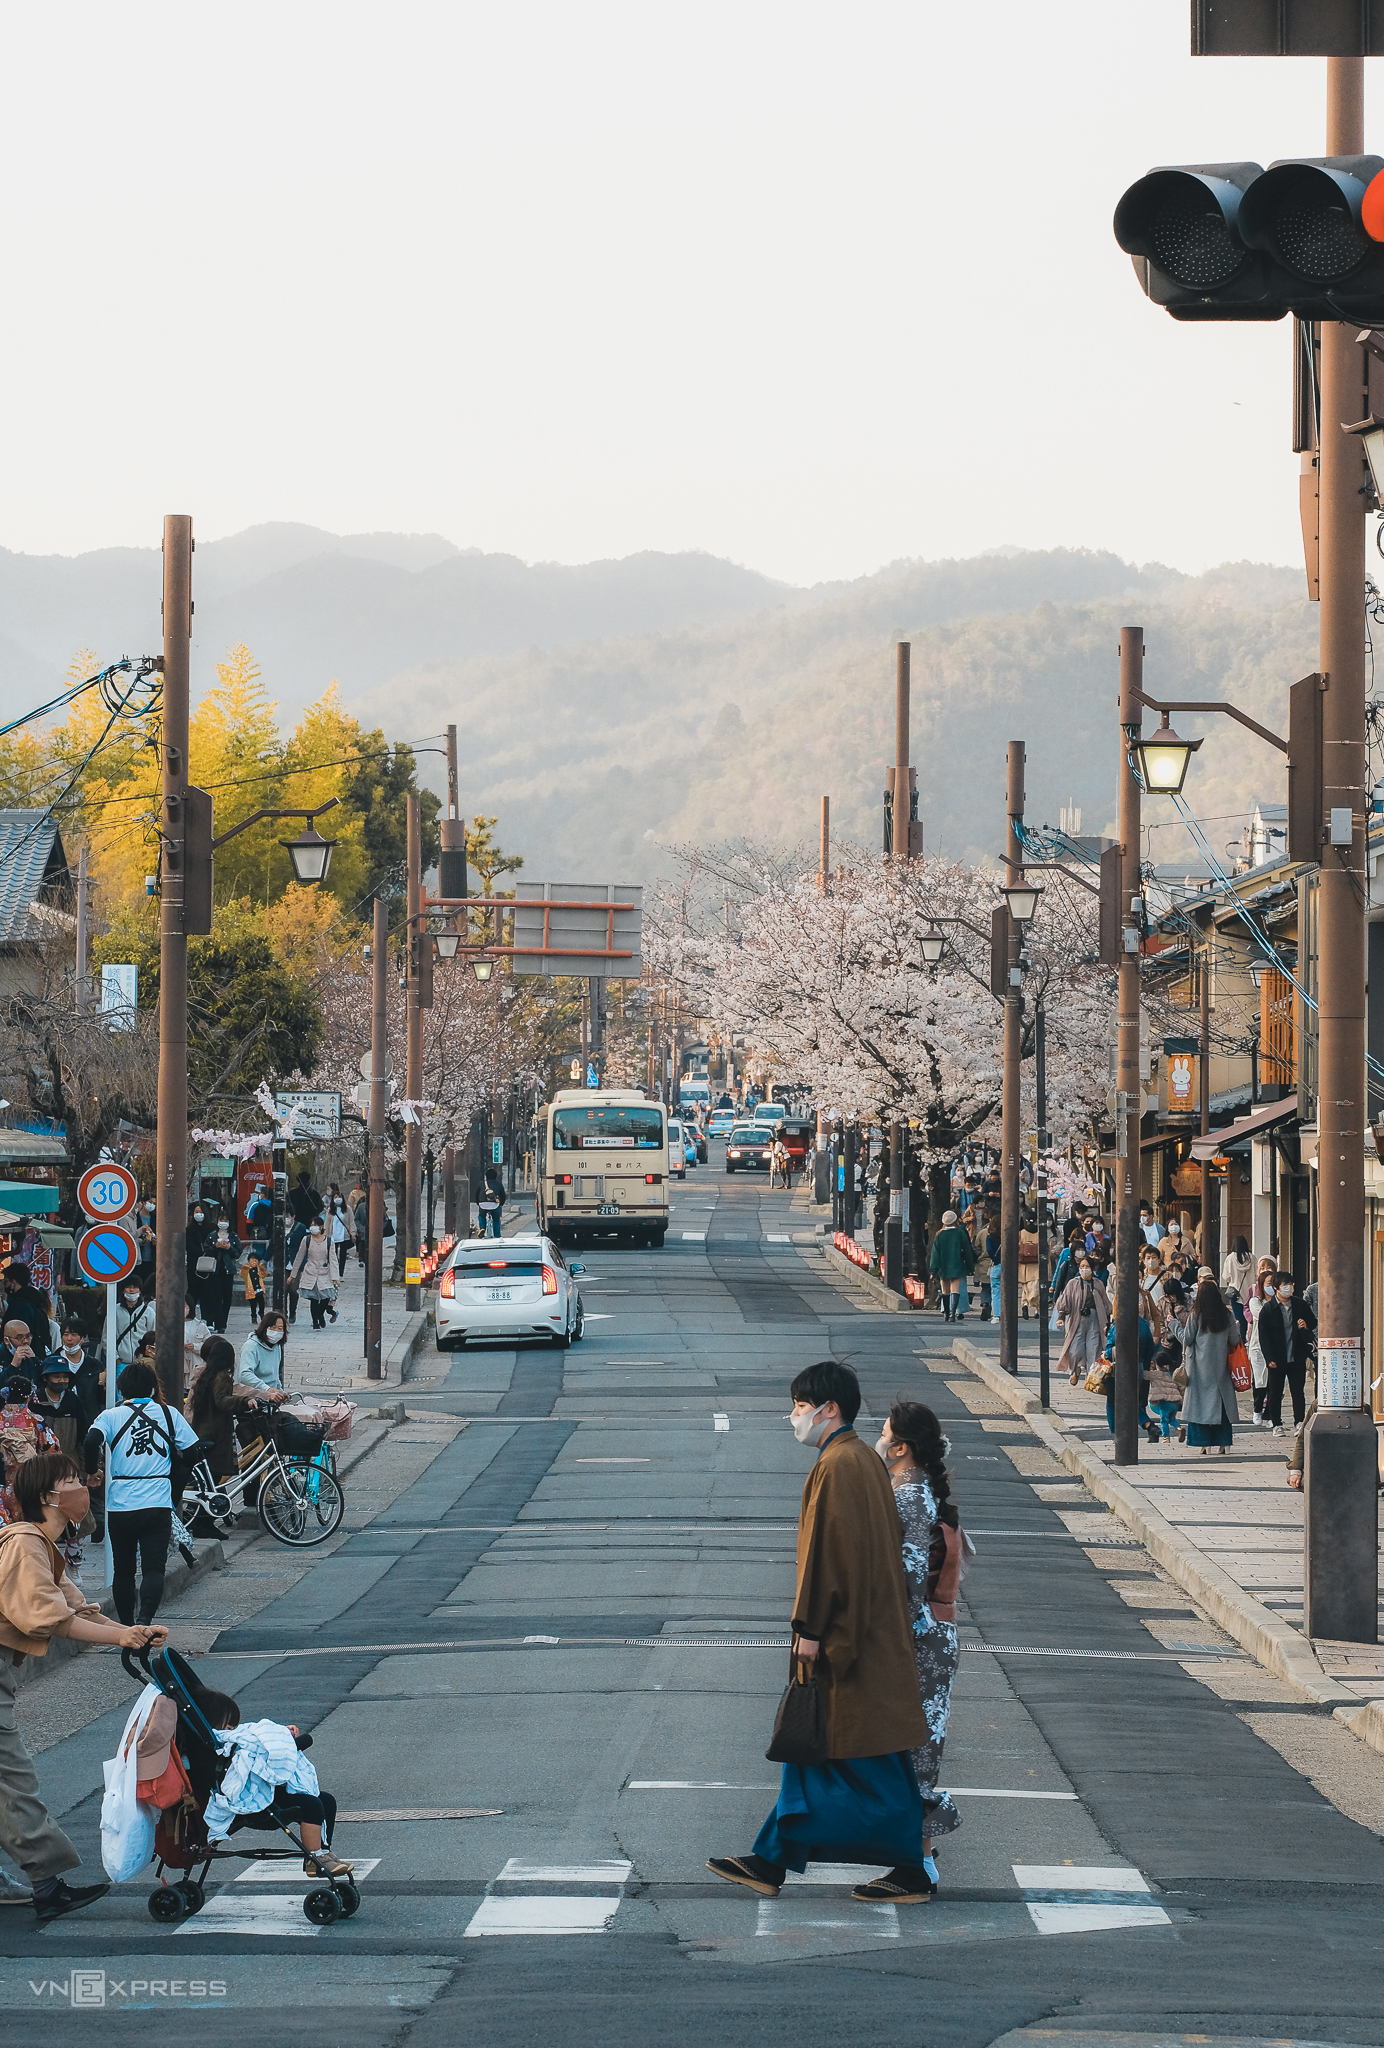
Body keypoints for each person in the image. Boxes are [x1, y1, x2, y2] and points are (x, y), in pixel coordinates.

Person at [707, 1360, 929, 1904]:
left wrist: (810, 1627)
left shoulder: (840, 1465)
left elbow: (829, 1559)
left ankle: (910, 1867)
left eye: (801, 1407)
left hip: (847, 1640)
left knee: (855, 1754)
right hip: (865, 1634)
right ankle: (771, 1859)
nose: (794, 1417)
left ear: (831, 1409)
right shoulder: (858, 1460)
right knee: (822, 1751)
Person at [0, 1452, 167, 1920]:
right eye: (72, 1481)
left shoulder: (42, 1546)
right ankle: (47, 1884)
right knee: (13, 1782)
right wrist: (121, 1636)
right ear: (48, 1497)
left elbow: (79, 1609)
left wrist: (131, 1633)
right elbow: (52, 1618)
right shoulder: (25, 1544)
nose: (83, 1487)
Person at [875, 1401, 963, 1895]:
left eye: (884, 1433)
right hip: (932, 1631)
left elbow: (908, 1577)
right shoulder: (920, 1490)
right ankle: (918, 1859)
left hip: (917, 1635)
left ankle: (919, 1864)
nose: (879, 1440)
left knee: (914, 1751)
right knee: (915, 1747)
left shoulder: (908, 1495)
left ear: (902, 1446)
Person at [83, 1361, 201, 1624]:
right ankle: (145, 1619)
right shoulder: (168, 1414)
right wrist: (174, 1479)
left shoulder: (111, 1416)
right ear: (151, 1388)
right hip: (156, 1502)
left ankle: (126, 1627)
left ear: (121, 1389)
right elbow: (193, 1452)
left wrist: (92, 1472)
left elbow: (91, 1441)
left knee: (123, 1571)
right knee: (153, 1569)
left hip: (120, 1504)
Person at [191, 1688, 353, 1876]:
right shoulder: (215, 1746)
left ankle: (324, 1851)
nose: (233, 1731)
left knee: (327, 1800)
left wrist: (282, 1735)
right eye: (229, 1727)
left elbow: (257, 1736)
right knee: (312, 1805)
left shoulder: (229, 1738)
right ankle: (315, 1858)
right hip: (253, 1802)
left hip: (267, 1789)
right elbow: (251, 1750)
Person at [189, 1338, 262, 1480]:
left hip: (204, 1430)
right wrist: (245, 1401)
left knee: (212, 1477)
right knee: (218, 1474)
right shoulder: (221, 1377)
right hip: (216, 1434)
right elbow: (222, 1400)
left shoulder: (207, 1375)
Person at [1181, 1276, 1239, 1455]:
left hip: (1199, 1369)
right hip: (1221, 1368)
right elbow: (1234, 1339)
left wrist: (1175, 1326)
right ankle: (1224, 1443)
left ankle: (1203, 1443)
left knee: (1199, 1406)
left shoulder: (1196, 1316)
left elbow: (1187, 1339)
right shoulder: (1227, 1315)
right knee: (1222, 1407)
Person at [1257, 1270, 1316, 1437]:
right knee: (1275, 1392)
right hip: (1277, 1357)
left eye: (1290, 1285)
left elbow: (1312, 1321)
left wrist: (1305, 1324)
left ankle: (1299, 1422)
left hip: (1297, 1354)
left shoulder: (1299, 1304)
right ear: (1276, 1287)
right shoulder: (1268, 1309)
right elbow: (1264, 1336)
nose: (1288, 1289)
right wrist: (1269, 1358)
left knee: (1298, 1391)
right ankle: (1276, 1423)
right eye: (1284, 1286)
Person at [1057, 1256, 1110, 1386]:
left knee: (1094, 1349)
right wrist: (1061, 1317)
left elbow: (1105, 1304)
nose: (1084, 1269)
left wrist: (1108, 1321)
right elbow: (1065, 1301)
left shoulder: (1098, 1284)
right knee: (1075, 1350)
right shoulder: (1072, 1283)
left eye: (1087, 1267)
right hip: (1077, 1320)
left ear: (1092, 1269)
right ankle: (1074, 1371)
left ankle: (1091, 1376)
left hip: (1095, 1320)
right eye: (1082, 1267)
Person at [1244, 1256, 1278, 1426]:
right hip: (1257, 1346)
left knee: (1274, 1382)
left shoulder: (1281, 1301)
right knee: (1260, 1380)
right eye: (1267, 1284)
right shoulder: (1255, 1301)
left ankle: (1271, 1415)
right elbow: (1262, 1316)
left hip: (1276, 1346)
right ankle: (1257, 1409)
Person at [928, 1210, 975, 1322]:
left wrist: (933, 1270)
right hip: (957, 1265)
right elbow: (968, 1251)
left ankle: (946, 1314)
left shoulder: (939, 1234)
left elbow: (935, 1254)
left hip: (943, 1266)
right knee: (955, 1290)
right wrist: (970, 1266)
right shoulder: (960, 1233)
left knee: (945, 1290)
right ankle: (953, 1314)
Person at [290, 1221, 338, 1329]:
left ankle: (320, 1315)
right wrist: (293, 1274)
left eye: (315, 1225)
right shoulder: (306, 1240)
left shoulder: (329, 1241)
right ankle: (315, 1322)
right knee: (314, 1299)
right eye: (311, 1225)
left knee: (325, 1297)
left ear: (321, 1227)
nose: (312, 1227)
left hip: (324, 1272)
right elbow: (299, 1257)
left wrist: (335, 1277)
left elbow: (333, 1259)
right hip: (310, 1272)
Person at [237, 1314, 292, 1401]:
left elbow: (275, 1377)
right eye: (273, 1327)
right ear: (265, 1327)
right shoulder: (251, 1346)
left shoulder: (276, 1346)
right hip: (254, 1397)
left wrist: (281, 1392)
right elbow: (245, 1375)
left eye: (280, 1328)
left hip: (271, 1399)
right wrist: (266, 1389)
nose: (276, 1331)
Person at [1, 1264, 51, 1352]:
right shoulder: (35, 1301)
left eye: (6, 1282)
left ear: (14, 1282)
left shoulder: (19, 1306)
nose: (4, 1286)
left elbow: (18, 1335)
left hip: (22, 1356)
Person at [1146, 1339, 1183, 1443]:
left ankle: (1166, 1437)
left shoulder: (1157, 1374)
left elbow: (1146, 1375)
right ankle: (1179, 1428)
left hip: (1164, 1402)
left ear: (1157, 1364)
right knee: (1172, 1419)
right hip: (1174, 1402)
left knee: (1164, 1420)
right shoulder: (1172, 1374)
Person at [327, 1189, 352, 1278]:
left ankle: (341, 1273)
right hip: (333, 1234)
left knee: (343, 1254)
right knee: (333, 1255)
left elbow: (351, 1222)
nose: (338, 1199)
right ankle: (334, 1272)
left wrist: (353, 1233)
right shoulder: (330, 1209)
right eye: (335, 1197)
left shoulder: (347, 1209)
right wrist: (326, 1235)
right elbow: (327, 1222)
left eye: (339, 1197)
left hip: (344, 1235)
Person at [479, 1166, 506, 1240]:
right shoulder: (498, 1184)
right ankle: (497, 1235)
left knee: (481, 1215)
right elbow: (503, 1195)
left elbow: (476, 1194)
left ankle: (482, 1228)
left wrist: (479, 1203)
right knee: (496, 1219)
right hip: (494, 1205)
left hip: (483, 1204)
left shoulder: (481, 1183)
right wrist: (501, 1204)